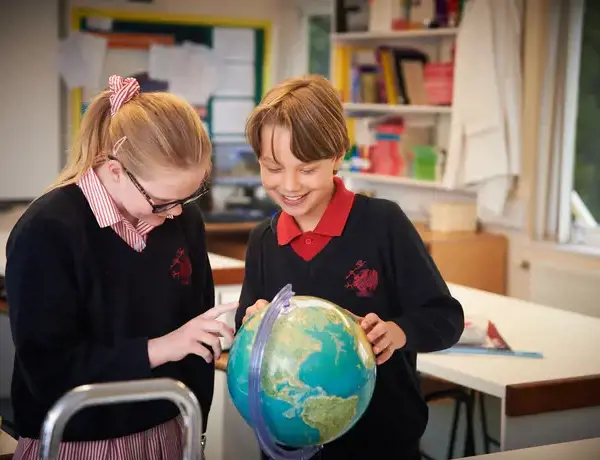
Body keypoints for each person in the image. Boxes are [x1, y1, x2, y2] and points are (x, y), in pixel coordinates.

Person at [4, 75, 240, 459]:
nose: (178, 211)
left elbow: (196, 341)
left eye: (190, 195)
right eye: (163, 201)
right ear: (115, 171)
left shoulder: (184, 221)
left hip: (169, 428)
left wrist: (196, 422)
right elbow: (49, 371)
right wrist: (161, 348)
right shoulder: (48, 230)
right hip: (78, 440)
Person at [235, 75, 465, 460]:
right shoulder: (263, 238)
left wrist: (396, 332)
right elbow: (245, 322)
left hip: (381, 444)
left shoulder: (383, 224)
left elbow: (446, 318)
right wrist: (251, 322)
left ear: (338, 155)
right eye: (273, 167)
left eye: (306, 169)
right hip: (288, 442)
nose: (289, 184)